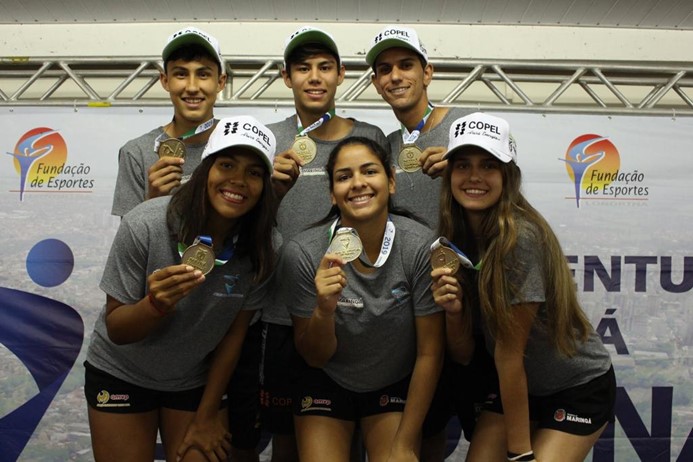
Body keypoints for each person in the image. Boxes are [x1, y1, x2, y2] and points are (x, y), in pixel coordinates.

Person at [109, 27, 266, 462]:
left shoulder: (242, 145)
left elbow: (256, 229)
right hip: (152, 327)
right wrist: (151, 204)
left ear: (222, 81)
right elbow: (131, 246)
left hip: (213, 337)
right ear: (164, 81)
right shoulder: (139, 151)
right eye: (180, 74)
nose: (192, 86)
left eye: (203, 74)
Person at [84, 116, 277, 462]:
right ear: (205, 170)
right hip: (121, 372)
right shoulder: (146, 223)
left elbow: (233, 338)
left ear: (265, 185)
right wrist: (155, 305)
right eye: (227, 164)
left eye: (254, 172)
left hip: (191, 381)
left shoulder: (264, 248)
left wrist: (207, 415)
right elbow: (117, 329)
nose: (238, 180)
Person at [431, 112, 616, 462]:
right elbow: (464, 354)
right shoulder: (453, 239)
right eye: (463, 165)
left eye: (488, 166)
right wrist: (453, 313)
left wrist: (519, 455)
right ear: (449, 175)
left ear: (507, 175)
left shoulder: (520, 237)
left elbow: (509, 354)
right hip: (519, 386)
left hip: (576, 387)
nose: (474, 177)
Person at [260, 26, 389, 462]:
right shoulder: (267, 140)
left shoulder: (370, 136)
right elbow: (244, 229)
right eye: (302, 68)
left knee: (350, 444)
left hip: (358, 313)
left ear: (341, 75)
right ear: (286, 77)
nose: (314, 77)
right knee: (286, 444)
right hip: (282, 313)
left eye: (324, 67)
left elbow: (388, 218)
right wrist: (270, 195)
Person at [367, 25, 493, 460]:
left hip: (478, 310)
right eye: (384, 69)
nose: (395, 76)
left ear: (428, 72)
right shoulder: (385, 147)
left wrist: (463, 170)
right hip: (417, 313)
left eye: (405, 65)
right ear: (375, 83)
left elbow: (508, 201)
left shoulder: (467, 125)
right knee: (427, 433)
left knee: (489, 436)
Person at [279, 136, 444, 462]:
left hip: (394, 382)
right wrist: (324, 311)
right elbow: (314, 357)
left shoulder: (420, 246)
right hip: (325, 380)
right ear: (332, 193)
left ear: (391, 182)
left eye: (369, 172)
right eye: (343, 177)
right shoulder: (303, 252)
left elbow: (430, 352)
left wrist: (404, 444)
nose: (357, 184)